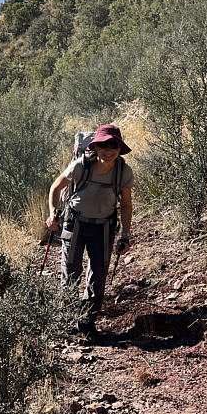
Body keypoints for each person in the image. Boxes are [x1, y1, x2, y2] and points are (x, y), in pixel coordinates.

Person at [45, 124, 134, 338]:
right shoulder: (81, 165)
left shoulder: (124, 171)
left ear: (120, 148)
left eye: (113, 145)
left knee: (98, 274)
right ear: (95, 146)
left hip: (103, 227)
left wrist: (125, 235)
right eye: (104, 144)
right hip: (75, 224)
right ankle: (66, 321)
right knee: (70, 272)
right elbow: (56, 188)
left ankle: (87, 323)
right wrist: (53, 213)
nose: (108, 150)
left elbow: (127, 205)